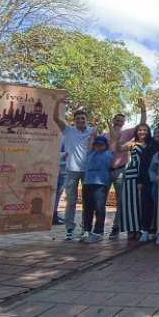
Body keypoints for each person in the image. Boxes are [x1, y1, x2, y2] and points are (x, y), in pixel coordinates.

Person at [53, 99, 96, 241]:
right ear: (74, 120)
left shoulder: (93, 131)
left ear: (87, 120)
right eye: (77, 118)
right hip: (71, 170)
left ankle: (85, 227)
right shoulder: (69, 131)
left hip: (87, 171)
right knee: (71, 201)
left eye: (83, 118)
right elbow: (55, 118)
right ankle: (70, 229)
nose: (80, 120)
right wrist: (57, 103)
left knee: (87, 201)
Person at [105, 104, 147, 238]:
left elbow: (142, 125)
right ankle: (97, 229)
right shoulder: (104, 135)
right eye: (116, 120)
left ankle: (115, 227)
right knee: (100, 201)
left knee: (121, 201)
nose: (118, 123)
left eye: (121, 121)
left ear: (124, 123)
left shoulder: (127, 133)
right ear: (113, 121)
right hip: (105, 171)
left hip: (120, 171)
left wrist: (143, 109)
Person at [120, 123, 159, 241]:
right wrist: (116, 133)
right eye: (140, 130)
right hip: (132, 174)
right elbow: (116, 148)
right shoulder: (132, 144)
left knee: (147, 203)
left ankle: (147, 229)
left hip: (147, 175)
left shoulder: (152, 144)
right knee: (132, 203)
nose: (142, 132)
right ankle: (133, 229)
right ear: (136, 131)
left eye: (145, 130)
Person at [81, 136, 114, 243]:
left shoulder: (109, 155)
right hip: (87, 183)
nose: (98, 147)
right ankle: (86, 229)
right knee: (87, 208)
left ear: (105, 145)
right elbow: (90, 139)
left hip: (101, 184)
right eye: (97, 144)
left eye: (101, 145)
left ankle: (98, 231)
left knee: (99, 208)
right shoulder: (90, 153)